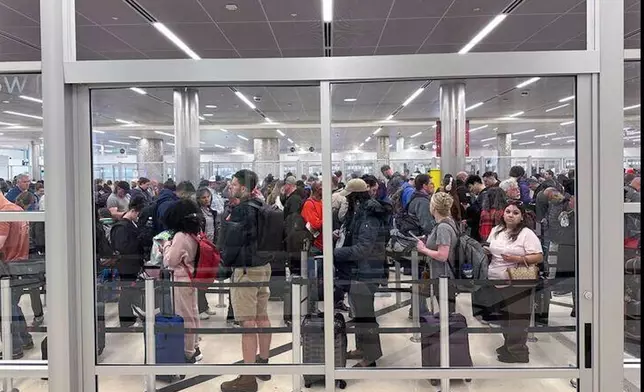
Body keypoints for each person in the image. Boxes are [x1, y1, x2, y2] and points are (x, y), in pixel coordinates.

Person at [220, 170, 273, 392]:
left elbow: (231, 244)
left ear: (243, 187)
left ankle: (248, 378)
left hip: (245, 270)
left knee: (247, 322)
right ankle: (263, 363)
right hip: (264, 267)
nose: (230, 187)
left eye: (233, 184)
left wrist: (224, 265)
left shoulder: (241, 210)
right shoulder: (262, 206)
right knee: (262, 316)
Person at [335, 178, 386, 368]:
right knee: (358, 312)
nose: (346, 201)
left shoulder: (369, 216)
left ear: (356, 197)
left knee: (366, 315)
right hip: (358, 271)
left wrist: (338, 253)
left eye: (349, 198)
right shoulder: (360, 213)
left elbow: (364, 248)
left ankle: (371, 356)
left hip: (367, 271)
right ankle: (361, 348)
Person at [485, 201, 543, 363]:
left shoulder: (527, 234)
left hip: (518, 280)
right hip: (496, 280)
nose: (510, 215)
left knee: (518, 317)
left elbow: (538, 256)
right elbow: (490, 249)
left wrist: (517, 258)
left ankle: (518, 352)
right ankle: (509, 345)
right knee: (504, 316)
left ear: (522, 216)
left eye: (515, 213)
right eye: (508, 211)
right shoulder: (496, 230)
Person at [161, 199, 203, 363]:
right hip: (191, 277)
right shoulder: (194, 233)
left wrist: (165, 245)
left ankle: (188, 351)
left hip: (180, 279)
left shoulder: (180, 236)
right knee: (192, 313)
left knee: (184, 316)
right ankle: (195, 344)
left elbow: (170, 261)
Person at [0, 191, 34, 358]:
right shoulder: (17, 210)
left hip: (8, 266)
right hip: (22, 263)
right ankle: (25, 340)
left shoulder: (4, 213)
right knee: (12, 305)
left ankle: (13, 348)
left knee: (5, 308)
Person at [416, 192, 460, 314]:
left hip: (443, 275)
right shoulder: (448, 222)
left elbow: (442, 255)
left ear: (434, 207)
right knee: (447, 311)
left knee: (447, 313)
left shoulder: (442, 228)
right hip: (444, 274)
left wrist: (424, 249)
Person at [110, 195, 146, 327]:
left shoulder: (130, 224)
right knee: (126, 292)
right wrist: (138, 240)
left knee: (129, 291)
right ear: (133, 211)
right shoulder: (121, 227)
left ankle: (129, 315)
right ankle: (126, 320)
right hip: (126, 265)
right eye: (138, 214)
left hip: (132, 264)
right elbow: (122, 247)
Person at [196, 187, 218, 320]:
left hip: (211, 246)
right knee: (200, 279)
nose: (206, 199)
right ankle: (200, 307)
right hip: (202, 248)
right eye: (203, 197)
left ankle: (204, 306)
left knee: (206, 278)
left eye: (208, 197)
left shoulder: (212, 212)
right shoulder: (198, 213)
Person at [464, 174, 487, 242]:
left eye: (470, 187)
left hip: (480, 231)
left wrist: (469, 208)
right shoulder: (484, 194)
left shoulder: (484, 195)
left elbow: (480, 213)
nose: (471, 191)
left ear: (476, 183)